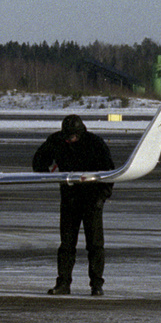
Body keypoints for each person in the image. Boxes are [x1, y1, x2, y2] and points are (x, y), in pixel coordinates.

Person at [32, 114, 115, 296]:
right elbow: (38, 160)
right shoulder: (57, 140)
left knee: (95, 244)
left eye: (73, 137)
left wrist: (102, 197)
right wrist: (47, 173)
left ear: (80, 133)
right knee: (67, 244)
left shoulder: (95, 143)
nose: (70, 140)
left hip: (92, 199)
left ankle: (96, 284)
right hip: (69, 198)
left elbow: (110, 172)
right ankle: (63, 283)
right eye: (67, 137)